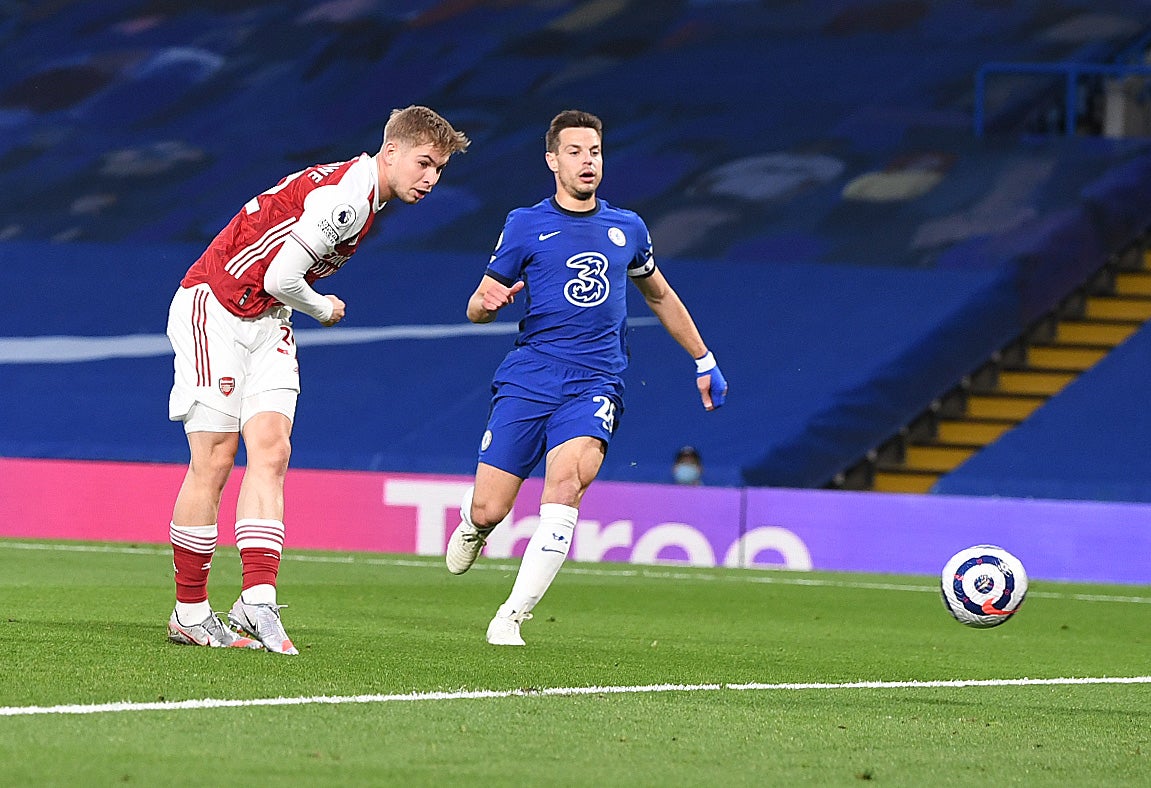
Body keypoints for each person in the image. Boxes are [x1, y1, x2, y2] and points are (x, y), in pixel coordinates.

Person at [165, 106, 469, 653]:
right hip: (215, 308)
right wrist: (324, 308)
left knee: (272, 450)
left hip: (266, 322)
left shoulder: (362, 195)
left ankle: (255, 600)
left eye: (440, 169)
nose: (431, 179)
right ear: (391, 151)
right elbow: (283, 277)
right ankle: (189, 611)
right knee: (213, 458)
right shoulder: (349, 200)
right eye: (424, 163)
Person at [445, 109, 728, 646]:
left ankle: (511, 617)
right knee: (491, 506)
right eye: (574, 152)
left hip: (596, 381)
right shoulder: (524, 224)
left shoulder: (628, 228)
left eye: (594, 152)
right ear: (552, 160)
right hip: (530, 375)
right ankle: (474, 524)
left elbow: (660, 295)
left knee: (568, 484)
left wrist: (703, 359)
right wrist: (486, 305)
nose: (587, 161)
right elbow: (478, 305)